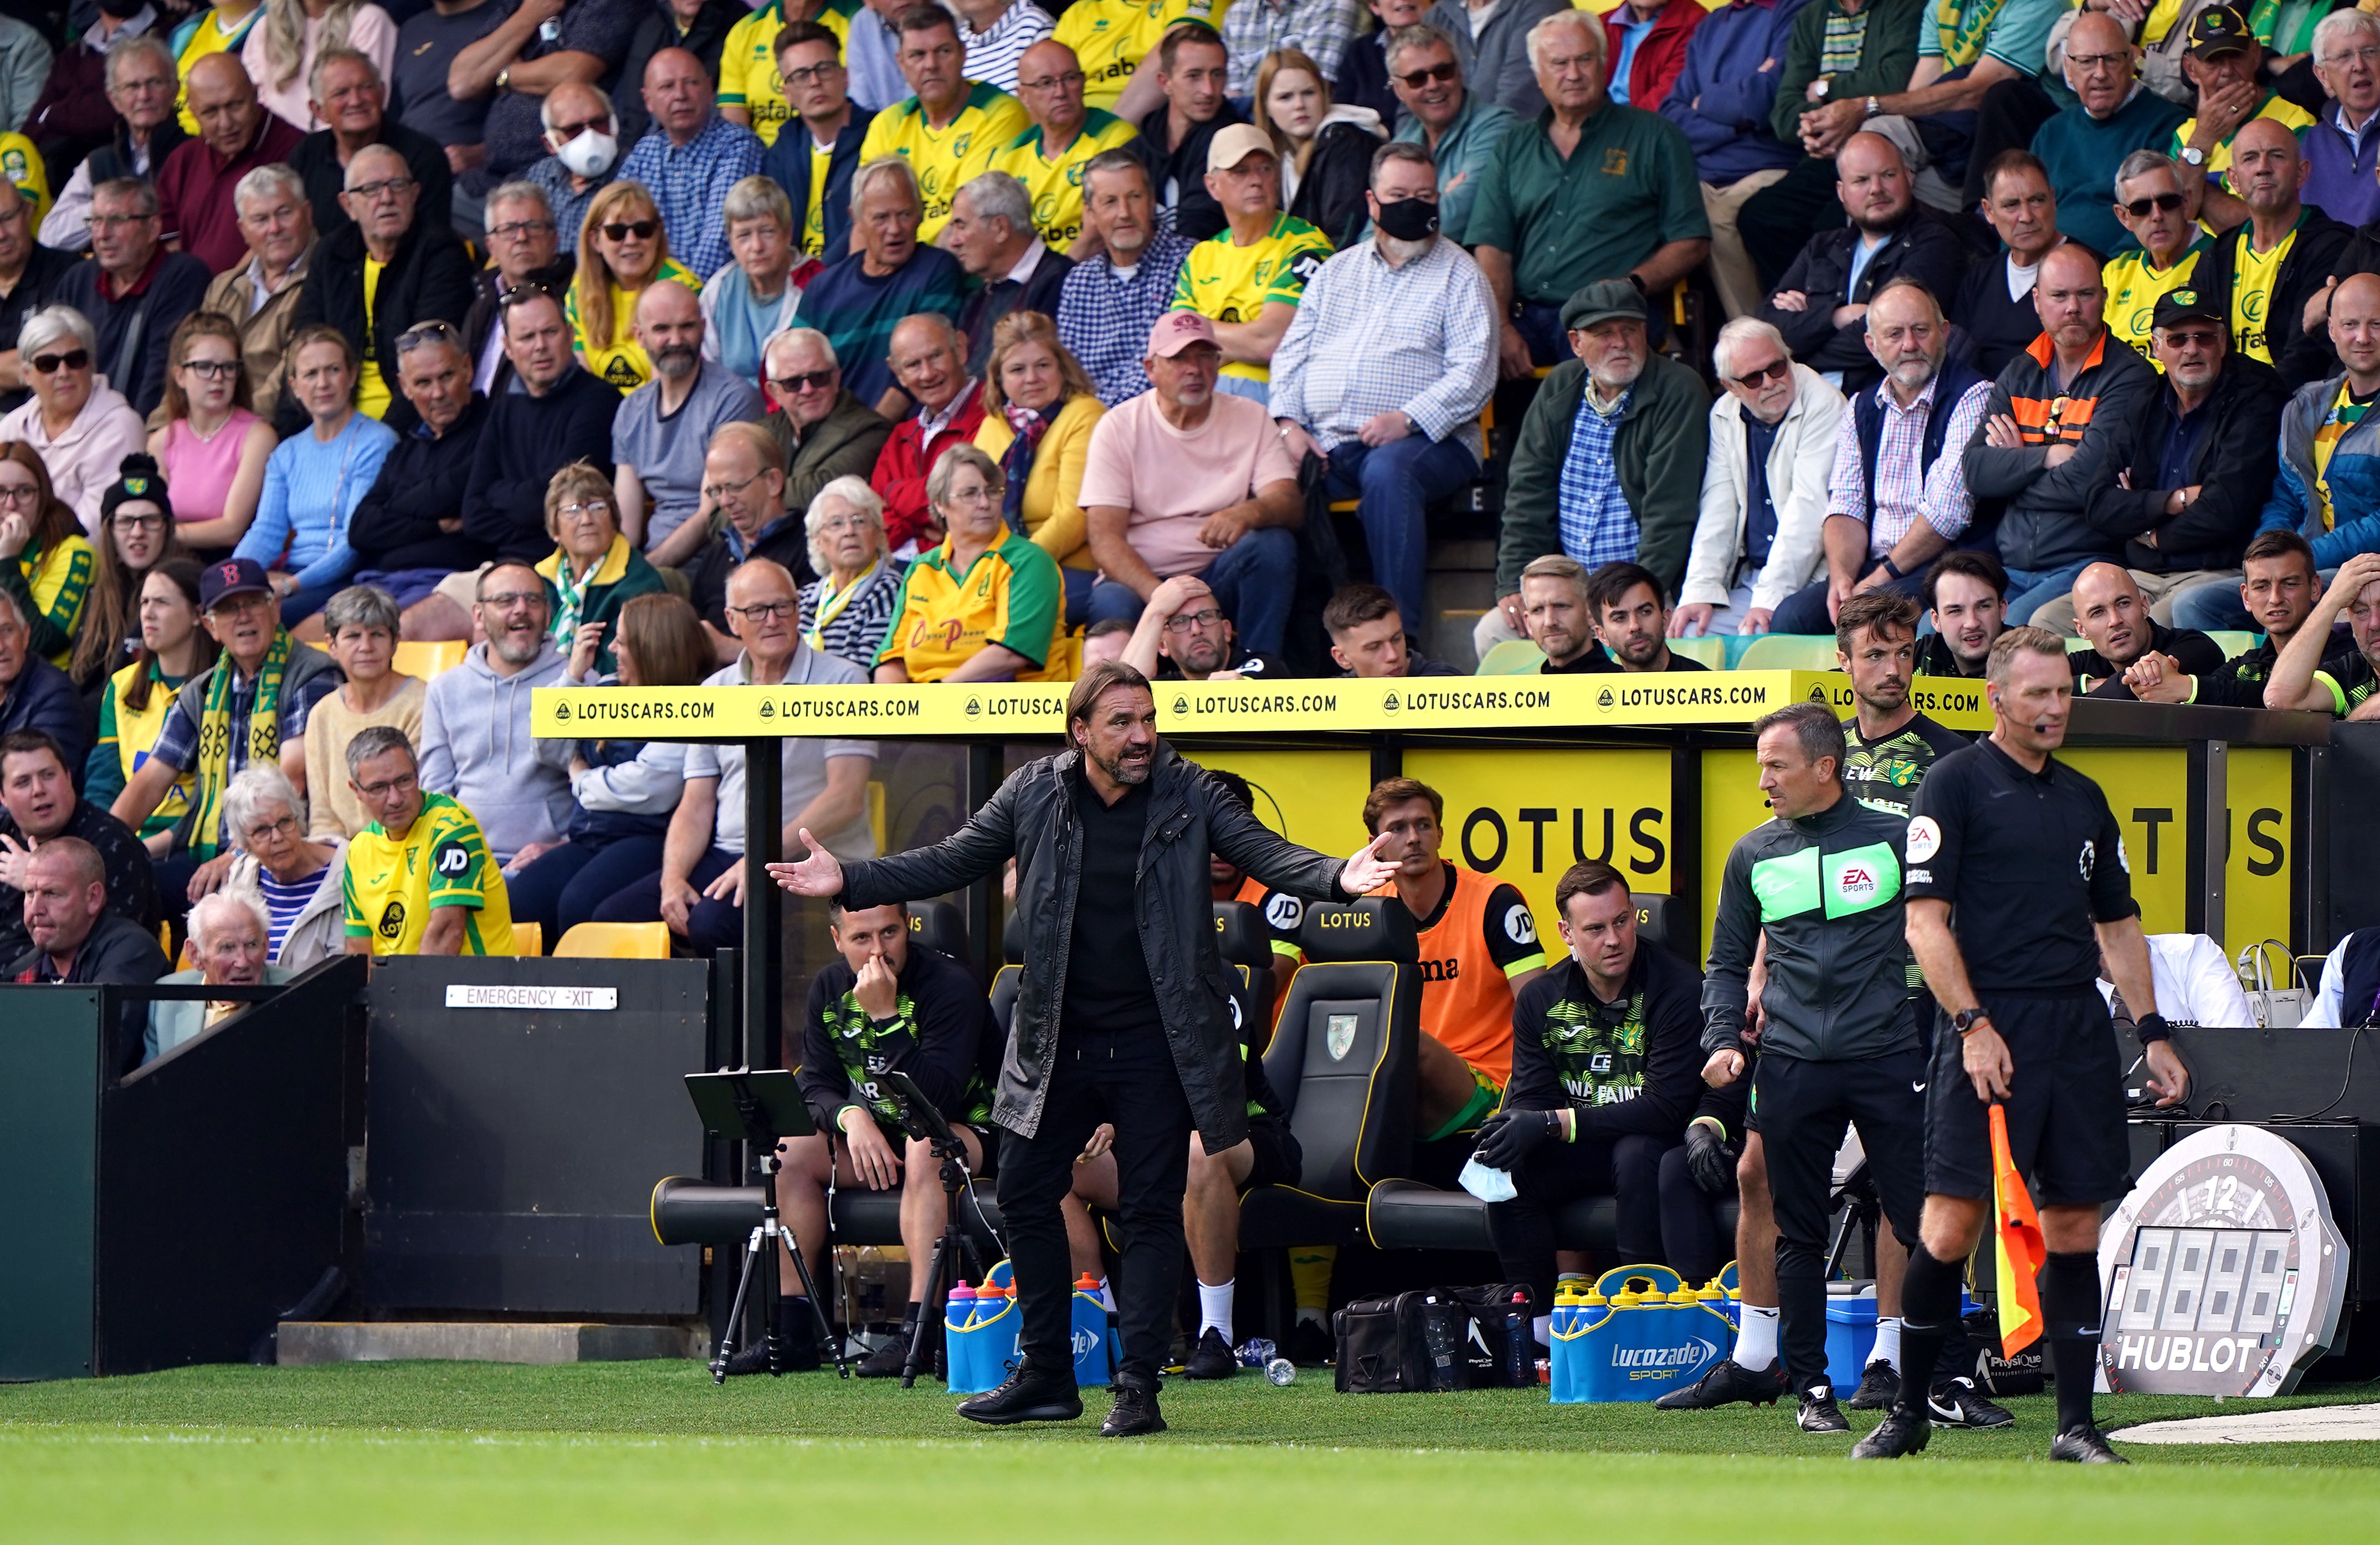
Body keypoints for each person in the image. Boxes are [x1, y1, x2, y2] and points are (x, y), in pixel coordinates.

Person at [767, 658, 1398, 1434]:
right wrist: (850, 878)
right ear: (1080, 732)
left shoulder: (1188, 789)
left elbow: (1266, 851)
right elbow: (956, 857)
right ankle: (1046, 1375)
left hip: (1159, 1036)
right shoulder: (1036, 789)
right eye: (1123, 724)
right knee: (1027, 1190)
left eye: (1148, 720)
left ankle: (1137, 1385)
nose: (1142, 737)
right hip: (1054, 1035)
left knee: (1150, 1207)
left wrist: (1339, 875)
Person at [1857, 626, 2187, 1463]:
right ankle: (1910, 1410)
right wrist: (1972, 1027)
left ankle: (2075, 1426)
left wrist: (2150, 1032)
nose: (2055, 707)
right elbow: (1924, 926)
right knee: (1947, 1225)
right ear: (1996, 698)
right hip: (1986, 1022)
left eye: (2064, 692)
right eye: (2038, 694)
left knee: (2075, 1222)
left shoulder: (2083, 796)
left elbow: (2117, 923)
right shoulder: (1954, 784)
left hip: (2076, 1026)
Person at [1695, 700, 1928, 1430]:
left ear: (1825, 769)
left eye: (1777, 765)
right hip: (1793, 1063)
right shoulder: (1752, 853)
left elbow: (1951, 933)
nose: (1763, 779)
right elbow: (1727, 964)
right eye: (1761, 764)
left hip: (1889, 1055)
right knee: (1798, 1230)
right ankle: (1811, 1392)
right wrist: (1722, 1040)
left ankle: (1922, 1378)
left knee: (1918, 1218)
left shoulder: (1898, 842)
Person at [746, 895, 1004, 1375]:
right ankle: (795, 1330)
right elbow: (813, 1086)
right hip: (889, 1133)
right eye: (861, 938)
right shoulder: (830, 988)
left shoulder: (950, 986)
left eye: (890, 933)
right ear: (837, 939)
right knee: (790, 1151)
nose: (877, 951)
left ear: (908, 927)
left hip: (974, 1129)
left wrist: (886, 1018)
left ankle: (920, 1334)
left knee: (926, 1144)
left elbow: (940, 1097)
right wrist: (851, 1117)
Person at [1269, 140, 1494, 638]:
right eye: (1398, 194)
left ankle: (1400, 643)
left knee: (1389, 472)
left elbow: (1474, 372)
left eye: (1425, 195)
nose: (1413, 205)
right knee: (1264, 483)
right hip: (1327, 442)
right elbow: (1290, 356)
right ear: (1372, 202)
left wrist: (1407, 419)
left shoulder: (1462, 275)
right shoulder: (1335, 272)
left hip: (1431, 444)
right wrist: (1289, 428)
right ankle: (1280, 651)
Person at [1474, 857, 1696, 1339]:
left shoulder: (1678, 988)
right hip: (1587, 1144)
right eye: (1595, 928)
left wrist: (1556, 1124)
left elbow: (1665, 1107)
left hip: (1658, 1141)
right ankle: (1534, 1332)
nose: (1613, 939)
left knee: (1636, 1154)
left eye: (1622, 921)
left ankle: (1643, 1314)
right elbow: (1534, 1096)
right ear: (1567, 933)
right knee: (1508, 1165)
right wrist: (1519, 1126)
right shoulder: (1540, 999)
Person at [600, 556, 874, 946]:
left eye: (783, 607)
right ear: (732, 620)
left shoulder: (844, 679)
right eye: (758, 610)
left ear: (799, 611)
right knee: (614, 919)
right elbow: (696, 803)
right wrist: (673, 879)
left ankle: (736, 1010)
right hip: (730, 853)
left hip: (810, 858)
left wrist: (761, 856)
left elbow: (846, 798)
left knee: (710, 926)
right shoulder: (715, 690)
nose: (773, 620)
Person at [2025, 288, 2285, 635]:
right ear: (2157, 348)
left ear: (2223, 343)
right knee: (2046, 624)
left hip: (2214, 572)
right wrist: (2173, 501)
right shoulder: (2144, 400)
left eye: (2204, 338)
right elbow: (2098, 503)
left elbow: (2226, 511)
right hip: (2140, 576)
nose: (2192, 349)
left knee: (2148, 627)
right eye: (2178, 340)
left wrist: (2150, 533)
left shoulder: (2254, 398)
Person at [1470, 10, 1710, 374]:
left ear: (1604, 63)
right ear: (1538, 74)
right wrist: (1500, 327)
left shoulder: (1656, 136)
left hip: (1612, 316)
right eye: (1559, 63)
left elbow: (1691, 240)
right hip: (1524, 316)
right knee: (1456, 357)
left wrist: (1631, 285)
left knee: (1589, 385)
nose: (1574, 74)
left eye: (1585, 60)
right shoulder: (1513, 146)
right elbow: (1492, 246)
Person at [1484, 279, 1709, 656]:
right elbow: (1527, 495)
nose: (1619, 343)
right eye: (1604, 334)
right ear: (1576, 343)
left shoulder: (1678, 389)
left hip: (1648, 587)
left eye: (1630, 331)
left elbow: (1670, 513)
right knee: (1492, 635)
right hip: (1569, 593)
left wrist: (1624, 604)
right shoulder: (1560, 386)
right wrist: (1513, 582)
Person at [111, 556, 344, 909]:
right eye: (229, 609)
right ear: (210, 625)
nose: (244, 617)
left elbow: (293, 778)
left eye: (253, 603)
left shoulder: (312, 675)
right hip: (208, 848)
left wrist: (237, 853)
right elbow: (151, 780)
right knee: (112, 883)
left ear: (275, 610)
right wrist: (101, 846)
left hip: (282, 851)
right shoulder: (202, 692)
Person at [1766, 281, 1991, 637]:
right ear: (1872, 345)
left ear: (1943, 333)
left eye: (1921, 330)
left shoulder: (1974, 395)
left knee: (1877, 623)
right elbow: (1846, 506)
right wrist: (1842, 580)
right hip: (1877, 569)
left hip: (1950, 566)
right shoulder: (1859, 407)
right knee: (1790, 621)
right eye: (1894, 334)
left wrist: (1873, 584)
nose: (1910, 345)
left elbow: (1947, 514)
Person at [1079, 310, 1302, 657]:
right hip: (1145, 577)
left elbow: (1288, 502)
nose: (1194, 369)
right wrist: (1163, 598)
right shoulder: (1118, 426)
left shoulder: (1251, 415)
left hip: (1219, 572)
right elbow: (1105, 539)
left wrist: (1248, 513)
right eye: (1179, 358)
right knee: (1111, 599)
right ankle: (1126, 704)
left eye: (1204, 356)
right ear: (1150, 368)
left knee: (1273, 544)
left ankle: (1258, 671)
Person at [1967, 243, 2163, 624]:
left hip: (2087, 564)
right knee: (1935, 629)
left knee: (2011, 628)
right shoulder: (2019, 372)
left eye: (2085, 294)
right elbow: (1975, 472)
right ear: (2037, 301)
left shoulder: (2130, 376)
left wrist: (2012, 469)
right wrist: (2045, 457)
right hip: (2011, 568)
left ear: (2104, 298)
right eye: (2059, 296)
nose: (2073, 307)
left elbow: (2087, 486)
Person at [509, 590, 712, 941]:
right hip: (590, 836)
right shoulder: (607, 688)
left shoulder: (690, 702)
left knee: (579, 905)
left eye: (624, 642)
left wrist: (581, 777)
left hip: (646, 838)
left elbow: (646, 790)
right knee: (521, 900)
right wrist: (573, 677)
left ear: (653, 649)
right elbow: (548, 749)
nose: (612, 650)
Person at [1361, 774, 1543, 1137]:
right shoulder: (1370, 912)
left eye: (1424, 825)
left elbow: (1539, 1010)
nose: (1414, 838)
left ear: (1440, 835)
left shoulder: (1495, 902)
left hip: (1490, 1083)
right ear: (1375, 847)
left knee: (1403, 1042)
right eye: (1397, 829)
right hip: (1407, 1076)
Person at [1755, 132, 1969, 397]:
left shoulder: (1935, 244)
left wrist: (1796, 353)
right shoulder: (1822, 247)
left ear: (1909, 177)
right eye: (1861, 180)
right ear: (1842, 192)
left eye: (1888, 175)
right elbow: (1766, 328)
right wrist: (1836, 317)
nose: (1876, 188)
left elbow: (1884, 342)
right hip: (1804, 402)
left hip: (1876, 404)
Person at [288, 143, 478, 434]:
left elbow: (428, 366)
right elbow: (305, 347)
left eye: (397, 186)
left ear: (415, 195)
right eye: (371, 189)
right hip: (333, 421)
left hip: (409, 426)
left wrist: (377, 442)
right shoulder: (331, 254)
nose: (387, 198)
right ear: (348, 205)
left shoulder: (442, 253)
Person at [1731, 0, 1924, 278]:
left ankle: (1841, 308)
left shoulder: (1904, 7)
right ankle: (1801, 309)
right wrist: (1830, 122)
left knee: (1832, 224)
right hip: (1826, 152)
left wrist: (1826, 87)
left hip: (1880, 148)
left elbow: (1895, 82)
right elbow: (1784, 115)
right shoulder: (1812, 15)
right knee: (1761, 217)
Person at [1675, 317, 1842, 637]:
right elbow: (1718, 508)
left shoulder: (1824, 402)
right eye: (1753, 378)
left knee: (1764, 634)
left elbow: (1808, 510)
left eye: (1777, 368)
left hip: (1813, 579)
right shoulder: (1723, 413)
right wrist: (1700, 589)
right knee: (1689, 633)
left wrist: (1769, 599)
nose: (1769, 382)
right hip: (1751, 578)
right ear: (1731, 387)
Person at [448, 287, 622, 587]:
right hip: (500, 571)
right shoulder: (503, 410)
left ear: (570, 334)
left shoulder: (599, 401)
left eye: (550, 332)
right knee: (413, 620)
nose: (540, 346)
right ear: (509, 348)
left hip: (571, 573)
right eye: (527, 337)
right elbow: (474, 514)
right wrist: (534, 515)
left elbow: (566, 503)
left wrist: (500, 495)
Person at [233, 326, 400, 625]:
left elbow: (354, 542)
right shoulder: (287, 453)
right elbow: (266, 532)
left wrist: (287, 587)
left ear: (351, 376)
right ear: (295, 386)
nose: (323, 383)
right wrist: (234, 577)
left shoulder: (376, 441)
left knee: (258, 621)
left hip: (345, 576)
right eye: (311, 374)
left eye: (333, 370)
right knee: (220, 611)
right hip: (294, 573)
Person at [417, 562, 574, 866]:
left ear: (548, 613)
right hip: (464, 859)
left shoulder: (578, 681)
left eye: (533, 600)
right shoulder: (445, 689)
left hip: (548, 860)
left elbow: (591, 788)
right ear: (478, 615)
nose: (521, 610)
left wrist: (562, 848)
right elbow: (436, 791)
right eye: (505, 601)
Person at [1163, 123, 1333, 405]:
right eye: (1240, 172)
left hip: (1274, 394)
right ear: (1212, 186)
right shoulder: (1201, 255)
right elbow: (1177, 346)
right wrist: (1239, 339)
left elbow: (1269, 342)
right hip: (1203, 392)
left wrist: (1202, 332)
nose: (1256, 180)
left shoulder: (1306, 244)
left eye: (1265, 169)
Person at [1659, 0, 1804, 321]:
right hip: (1703, 171)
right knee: (1641, 212)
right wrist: (1743, 121)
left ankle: (1757, 341)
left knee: (1715, 222)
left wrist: (1703, 102)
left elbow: (1766, 98)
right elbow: (1672, 115)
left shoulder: (1794, 10)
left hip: (1768, 167)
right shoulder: (1712, 24)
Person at [875, 442, 1066, 682]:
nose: (985, 503)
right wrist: (899, 711)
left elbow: (1010, 655)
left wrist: (937, 700)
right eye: (970, 493)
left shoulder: (1029, 562)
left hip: (1007, 709)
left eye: (993, 491)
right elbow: (890, 659)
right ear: (940, 505)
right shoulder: (921, 569)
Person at [796, 157, 967, 414]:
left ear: (921, 213)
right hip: (831, 434)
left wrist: (868, 441)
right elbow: (794, 372)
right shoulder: (822, 289)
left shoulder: (937, 271)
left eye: (905, 215)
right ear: (856, 218)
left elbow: (916, 378)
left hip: (897, 434)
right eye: (881, 218)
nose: (895, 229)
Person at [612, 279, 766, 561]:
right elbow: (627, 528)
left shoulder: (733, 400)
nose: (676, 340)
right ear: (640, 336)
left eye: (687, 326)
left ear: (704, 329)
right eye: (662, 329)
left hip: (716, 559)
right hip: (653, 562)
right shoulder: (630, 411)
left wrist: (646, 574)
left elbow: (710, 514)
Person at [2184, 117, 2349, 381]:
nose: (2263, 168)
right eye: (2250, 158)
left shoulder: (2333, 246)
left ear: (2302, 173)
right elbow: (2194, 340)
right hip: (2227, 405)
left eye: (2277, 156)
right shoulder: (2216, 258)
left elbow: (2307, 360)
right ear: (2234, 180)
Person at [347, 320, 494, 607]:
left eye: (447, 376)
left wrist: (395, 507)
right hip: (376, 581)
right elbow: (361, 528)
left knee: (381, 637)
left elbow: (456, 491)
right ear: (405, 387)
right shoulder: (406, 446)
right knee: (302, 635)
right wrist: (438, 524)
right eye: (423, 383)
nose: (438, 393)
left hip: (447, 580)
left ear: (468, 368)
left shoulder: (494, 425)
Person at [856, 4, 1030, 243]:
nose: (931, 65)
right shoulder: (887, 124)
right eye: (918, 55)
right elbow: (866, 220)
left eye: (943, 51)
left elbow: (968, 223)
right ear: (901, 62)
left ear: (963, 53)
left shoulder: (999, 113)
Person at [340, 723, 515, 956]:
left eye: (404, 781)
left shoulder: (451, 825)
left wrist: (411, 993)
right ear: (356, 791)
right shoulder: (358, 851)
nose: (394, 799)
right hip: (402, 987)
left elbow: (447, 932)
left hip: (472, 987)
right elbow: (361, 953)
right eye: (379, 788)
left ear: (418, 771)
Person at [972, 309, 1101, 617]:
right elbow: (965, 510)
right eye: (1017, 369)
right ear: (999, 379)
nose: (1032, 379)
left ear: (1062, 367)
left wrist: (1009, 569)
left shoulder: (1085, 415)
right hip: (997, 568)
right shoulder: (993, 425)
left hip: (1068, 568)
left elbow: (1074, 518)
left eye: (1043, 365)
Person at [2028, 14, 2188, 260]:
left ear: (2131, 62)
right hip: (2046, 276)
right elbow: (2024, 215)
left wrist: (2099, 272)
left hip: (2113, 276)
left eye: (2111, 60)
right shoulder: (2051, 133)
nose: (2100, 73)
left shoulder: (2167, 125)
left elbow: (2158, 223)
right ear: (2068, 70)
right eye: (2087, 62)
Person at [51, 179, 211, 421]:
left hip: (133, 430)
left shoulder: (183, 277)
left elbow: (161, 377)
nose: (103, 234)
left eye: (117, 221)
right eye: (96, 221)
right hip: (69, 428)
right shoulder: (78, 279)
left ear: (153, 228)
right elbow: (46, 359)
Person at [449, 0, 645, 195]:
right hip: (491, 176)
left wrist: (503, 74)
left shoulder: (608, 4)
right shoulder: (519, 4)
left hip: (559, 172)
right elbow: (462, 82)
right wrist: (529, 15)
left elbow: (572, 74)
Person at [0, 727, 156, 966]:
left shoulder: (113, 844)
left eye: (48, 775)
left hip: (79, 985)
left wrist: (34, 882)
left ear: (69, 777)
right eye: (23, 782)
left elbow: (115, 942)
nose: (39, 790)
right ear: (2, 796)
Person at [86, 557, 213, 850]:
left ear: (198, 614)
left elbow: (213, 800)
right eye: (144, 603)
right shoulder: (121, 684)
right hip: (128, 833)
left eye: (161, 603)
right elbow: (106, 777)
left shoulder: (219, 688)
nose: (148, 614)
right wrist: (102, 834)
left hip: (190, 843)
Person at [1055, 149, 1193, 407]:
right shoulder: (1079, 281)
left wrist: (1103, 415)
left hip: (1159, 417)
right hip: (1088, 425)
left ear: (1152, 201)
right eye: (1110, 202)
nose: (1124, 213)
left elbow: (1164, 365)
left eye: (1135, 197)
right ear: (1090, 213)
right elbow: (1068, 374)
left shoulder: (1189, 262)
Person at [616, 48, 763, 280]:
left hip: (709, 298)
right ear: (648, 100)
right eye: (667, 87)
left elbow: (718, 244)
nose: (680, 95)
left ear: (709, 89)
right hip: (647, 296)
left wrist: (677, 298)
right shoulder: (645, 152)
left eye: (691, 83)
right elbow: (614, 227)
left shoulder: (736, 146)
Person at [10, 840, 171, 1052]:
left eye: (52, 894)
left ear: (93, 897)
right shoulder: (23, 970)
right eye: (30, 893)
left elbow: (91, 1052)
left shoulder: (132, 952)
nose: (36, 909)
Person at [0, 304, 148, 534]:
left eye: (75, 359)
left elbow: (93, 532)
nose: (63, 372)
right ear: (27, 375)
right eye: (48, 364)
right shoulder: (12, 426)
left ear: (91, 365)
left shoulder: (120, 427)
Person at [983, 39, 1139, 255]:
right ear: (1023, 96)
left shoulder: (1114, 138)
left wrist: (1051, 284)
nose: (1060, 92)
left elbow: (1097, 237)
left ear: (1084, 82)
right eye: (1045, 83)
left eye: (1070, 78)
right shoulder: (1007, 156)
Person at [157, 54, 305, 278]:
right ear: (193, 111)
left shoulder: (295, 151)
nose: (226, 123)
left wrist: (225, 293)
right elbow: (168, 246)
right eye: (210, 112)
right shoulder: (182, 161)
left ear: (256, 95)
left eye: (235, 106)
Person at [288, 48, 454, 243]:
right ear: (318, 110)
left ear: (383, 93)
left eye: (366, 87)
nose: (356, 101)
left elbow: (430, 243)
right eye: (341, 93)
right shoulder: (306, 155)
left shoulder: (423, 156)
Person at [40, 33, 182, 255]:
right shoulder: (99, 161)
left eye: (154, 83)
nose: (144, 95)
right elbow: (51, 235)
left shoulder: (195, 155)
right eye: (132, 87)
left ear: (175, 91)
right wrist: (110, 208)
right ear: (115, 100)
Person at [300, 584, 422, 839]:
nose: (366, 646)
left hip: (404, 843)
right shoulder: (322, 714)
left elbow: (417, 801)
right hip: (339, 851)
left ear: (395, 643)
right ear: (331, 645)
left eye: (377, 635)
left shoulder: (423, 702)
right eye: (353, 636)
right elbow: (322, 817)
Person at [2169, 4, 2314, 219]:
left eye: (2236, 56)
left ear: (2256, 54)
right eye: (2213, 61)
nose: (2227, 71)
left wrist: (2197, 187)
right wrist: (2202, 139)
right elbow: (2176, 218)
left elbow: (2274, 226)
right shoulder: (2186, 136)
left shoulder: (2296, 122)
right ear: (2191, 69)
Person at [1834, 590, 1969, 814]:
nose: (1893, 671)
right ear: (1845, 661)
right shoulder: (1829, 747)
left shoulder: (1952, 755)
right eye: (1876, 656)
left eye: (1904, 654)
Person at [567, 179, 702, 393]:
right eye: (617, 232)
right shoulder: (580, 291)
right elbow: (584, 384)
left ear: (657, 235)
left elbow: (667, 391)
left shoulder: (681, 289)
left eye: (643, 230)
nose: (631, 241)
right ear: (595, 240)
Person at [1383, 24, 1514, 247]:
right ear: (1398, 90)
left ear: (1460, 72)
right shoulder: (1400, 146)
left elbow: (1461, 214)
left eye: (1443, 71)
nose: (1433, 85)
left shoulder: (1497, 126)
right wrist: (1441, 199)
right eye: (1417, 79)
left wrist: (1398, 223)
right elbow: (1369, 231)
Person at [757, 22, 877, 263]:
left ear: (845, 77)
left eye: (824, 68)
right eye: (801, 75)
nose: (814, 81)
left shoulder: (877, 135)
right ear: (787, 93)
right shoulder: (782, 151)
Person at [535, 459, 666, 677]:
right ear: (554, 528)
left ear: (614, 520)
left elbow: (627, 669)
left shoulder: (640, 584)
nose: (586, 520)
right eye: (573, 511)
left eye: (597, 508)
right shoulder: (538, 582)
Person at [168, 309, 282, 557]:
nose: (218, 378)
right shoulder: (162, 440)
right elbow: (151, 517)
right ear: (180, 376)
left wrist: (164, 534)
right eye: (205, 367)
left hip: (229, 562)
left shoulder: (258, 436)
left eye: (228, 367)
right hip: (170, 561)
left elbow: (232, 528)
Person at [680, 419, 804, 646]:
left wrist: (731, 651)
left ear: (773, 482)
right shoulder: (717, 553)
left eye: (736, 487)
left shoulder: (810, 547)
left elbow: (813, 648)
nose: (725, 502)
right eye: (717, 490)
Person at [759, 325, 895, 528]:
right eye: (793, 383)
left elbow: (815, 494)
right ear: (774, 391)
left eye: (818, 378)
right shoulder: (761, 434)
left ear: (836, 377)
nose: (807, 390)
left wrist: (748, 496)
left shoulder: (870, 430)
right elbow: (718, 517)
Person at [869, 315, 984, 548]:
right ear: (898, 373)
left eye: (935, 357)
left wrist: (893, 493)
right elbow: (872, 524)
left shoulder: (991, 416)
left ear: (960, 349)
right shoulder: (900, 436)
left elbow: (964, 503)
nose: (928, 374)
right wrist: (915, 525)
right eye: (913, 365)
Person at [1254, 47, 1384, 249]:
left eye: (1308, 93)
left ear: (1324, 94)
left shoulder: (1345, 143)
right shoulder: (1279, 158)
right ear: (1266, 107)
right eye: (1285, 97)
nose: (1299, 105)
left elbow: (1343, 235)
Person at [946, 171, 1075, 375]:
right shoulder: (980, 294)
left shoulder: (1066, 283)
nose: (953, 242)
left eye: (962, 227)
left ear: (1000, 229)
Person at [1950, 151, 2063, 382]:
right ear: (1988, 211)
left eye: (2037, 200)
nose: (2026, 216)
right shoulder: (1978, 279)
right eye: (2011, 205)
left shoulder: (2089, 270)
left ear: (2053, 200)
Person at [1132, 22, 1247, 246]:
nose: (1209, 90)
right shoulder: (1138, 148)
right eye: (1194, 76)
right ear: (1165, 83)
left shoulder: (1233, 139)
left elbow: (1200, 229)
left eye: (1217, 75)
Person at [145, 889, 291, 1062]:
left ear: (266, 946)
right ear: (195, 954)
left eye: (252, 944)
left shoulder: (298, 993)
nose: (243, 962)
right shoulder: (167, 1000)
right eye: (227, 948)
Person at [389, 0, 515, 199]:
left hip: (471, 180)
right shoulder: (411, 29)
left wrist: (483, 153)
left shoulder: (507, 15)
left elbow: (530, 114)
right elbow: (394, 115)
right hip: (407, 176)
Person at [701, 176, 814, 390]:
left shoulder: (814, 284)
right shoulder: (719, 289)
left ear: (788, 232)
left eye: (767, 232)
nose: (757, 246)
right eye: (744, 235)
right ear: (730, 239)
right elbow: (705, 369)